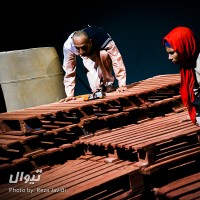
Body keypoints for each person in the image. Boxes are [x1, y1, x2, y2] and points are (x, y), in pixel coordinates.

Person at [59, 26, 127, 102]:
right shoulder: (68, 46)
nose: (81, 52)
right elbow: (69, 71)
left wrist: (122, 84)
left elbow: (117, 59)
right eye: (77, 48)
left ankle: (108, 83)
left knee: (104, 54)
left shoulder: (101, 37)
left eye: (83, 47)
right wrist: (69, 95)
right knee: (95, 88)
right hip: (88, 56)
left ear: (90, 42)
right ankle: (99, 87)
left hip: (100, 51)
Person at [163, 26, 200, 126]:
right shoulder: (188, 64)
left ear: (184, 47)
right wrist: (194, 115)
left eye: (172, 53)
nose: (169, 58)